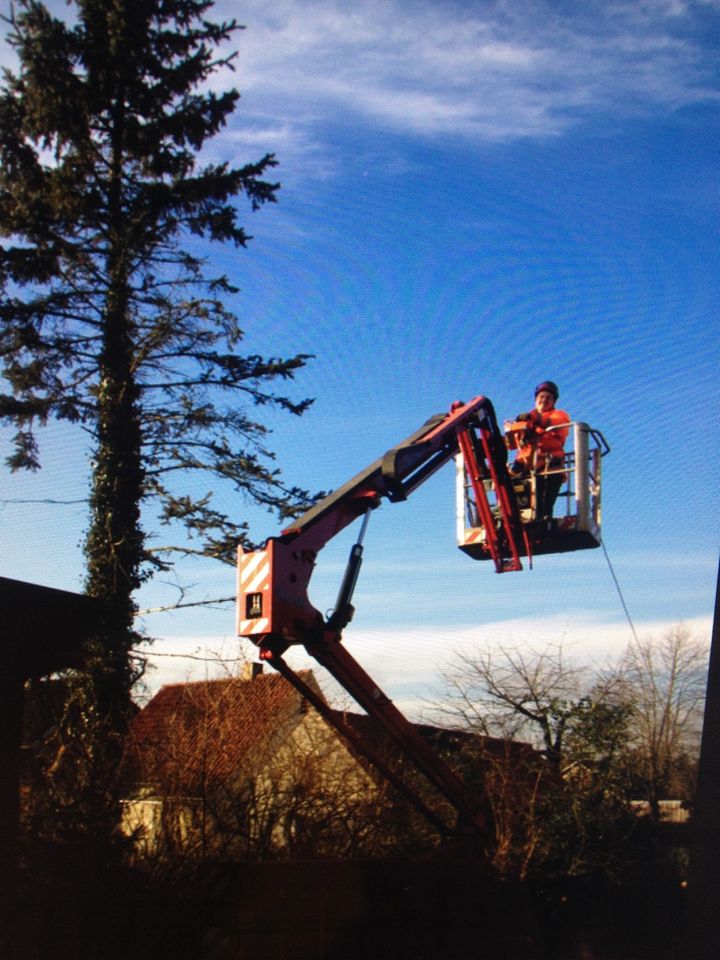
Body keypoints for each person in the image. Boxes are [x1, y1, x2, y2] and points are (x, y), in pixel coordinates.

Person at [509, 380, 571, 521]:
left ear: (554, 401)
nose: (544, 400)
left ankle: (545, 521)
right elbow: (512, 443)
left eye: (548, 398)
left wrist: (532, 427)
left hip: (550, 468)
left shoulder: (559, 416)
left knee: (544, 508)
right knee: (517, 502)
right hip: (525, 467)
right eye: (541, 397)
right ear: (536, 399)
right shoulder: (527, 418)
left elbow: (551, 438)